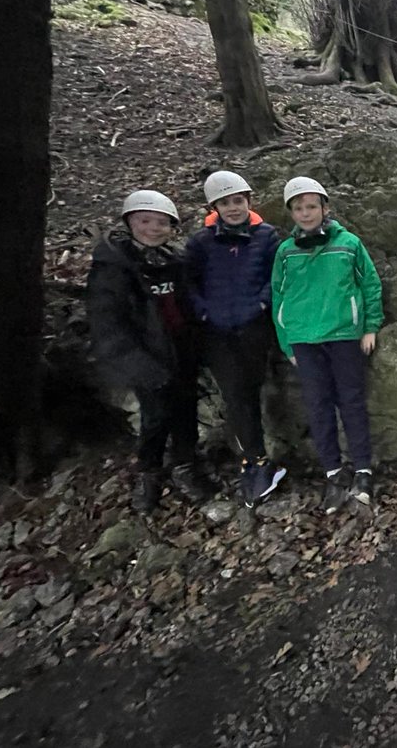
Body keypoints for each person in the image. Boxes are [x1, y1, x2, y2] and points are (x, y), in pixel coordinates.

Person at [87, 190, 214, 512]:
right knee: (155, 418)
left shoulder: (173, 262)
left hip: (181, 353)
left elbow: (189, 306)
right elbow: (108, 324)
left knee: (186, 412)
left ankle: (186, 464)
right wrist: (140, 365)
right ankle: (149, 472)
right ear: (130, 222)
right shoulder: (115, 267)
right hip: (148, 358)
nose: (153, 229)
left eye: (162, 223)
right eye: (145, 221)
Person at [272, 177, 383, 513]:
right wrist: (288, 344)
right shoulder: (285, 251)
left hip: (344, 336)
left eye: (312, 206)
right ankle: (334, 470)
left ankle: (362, 468)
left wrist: (370, 326)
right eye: (298, 208)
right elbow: (278, 296)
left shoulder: (348, 243)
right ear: (291, 213)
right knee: (318, 406)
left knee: (351, 401)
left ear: (325, 208)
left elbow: (370, 284)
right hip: (304, 340)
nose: (306, 213)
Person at [186, 170, 285, 508]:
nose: (233, 208)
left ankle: (258, 459)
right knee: (235, 395)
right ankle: (255, 461)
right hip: (216, 331)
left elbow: (276, 276)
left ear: (248, 202)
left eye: (238, 201)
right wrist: (203, 312)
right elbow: (189, 282)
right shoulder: (201, 242)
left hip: (253, 326)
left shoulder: (266, 236)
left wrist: (260, 302)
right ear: (214, 206)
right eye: (226, 203)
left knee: (251, 389)